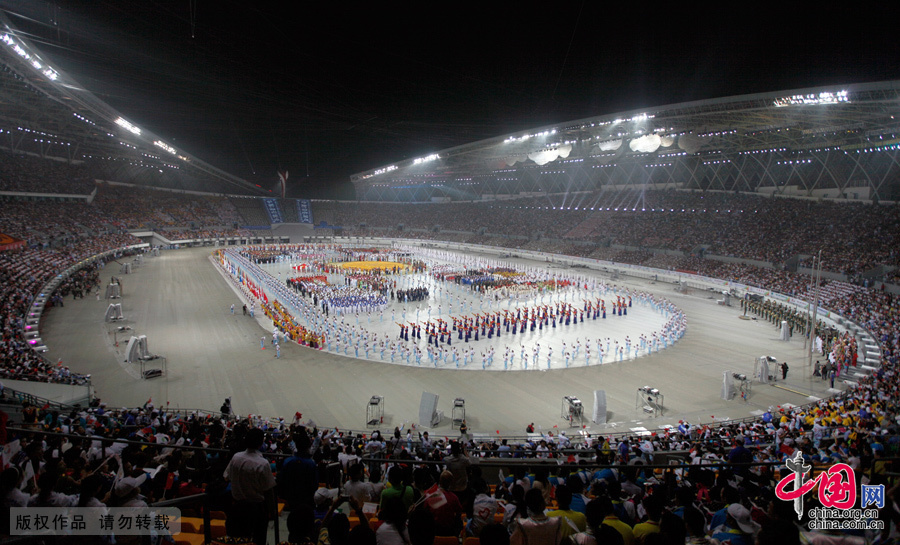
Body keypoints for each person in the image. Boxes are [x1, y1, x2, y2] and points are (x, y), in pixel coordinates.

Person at [224, 428, 277, 545]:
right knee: (257, 540)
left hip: (237, 506)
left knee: (238, 539)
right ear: (260, 443)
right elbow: (268, 490)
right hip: (256, 510)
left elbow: (226, 476)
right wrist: (272, 511)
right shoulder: (262, 463)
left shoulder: (236, 457)